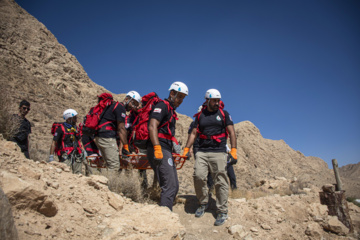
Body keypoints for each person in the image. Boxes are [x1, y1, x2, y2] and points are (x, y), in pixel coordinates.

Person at [183, 89, 237, 226]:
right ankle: (203, 203)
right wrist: (186, 148)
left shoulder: (224, 114)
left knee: (221, 181)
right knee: (198, 176)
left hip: (219, 151)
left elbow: (231, 132)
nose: (217, 103)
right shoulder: (200, 115)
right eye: (214, 101)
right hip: (202, 151)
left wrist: (234, 150)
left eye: (218, 100)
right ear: (207, 100)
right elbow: (194, 133)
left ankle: (222, 210)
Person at [147, 81, 188, 211]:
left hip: (166, 149)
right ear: (172, 93)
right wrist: (157, 148)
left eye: (183, 98)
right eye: (180, 96)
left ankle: (164, 214)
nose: (181, 100)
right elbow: (152, 125)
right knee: (169, 186)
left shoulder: (170, 111)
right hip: (159, 148)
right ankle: (165, 220)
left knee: (174, 186)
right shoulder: (162, 106)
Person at [94, 91, 140, 170]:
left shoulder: (114, 105)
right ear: (126, 99)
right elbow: (121, 129)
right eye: (133, 103)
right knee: (114, 165)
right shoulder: (120, 107)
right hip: (107, 137)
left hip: (100, 136)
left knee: (108, 164)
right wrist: (126, 147)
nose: (133, 107)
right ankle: (111, 182)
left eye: (135, 105)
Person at [49, 109, 86, 174]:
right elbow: (54, 143)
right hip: (66, 154)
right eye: (74, 118)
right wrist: (51, 156)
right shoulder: (60, 129)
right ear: (69, 119)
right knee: (65, 173)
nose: (76, 120)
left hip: (77, 154)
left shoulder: (76, 128)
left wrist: (83, 152)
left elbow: (80, 141)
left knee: (78, 173)